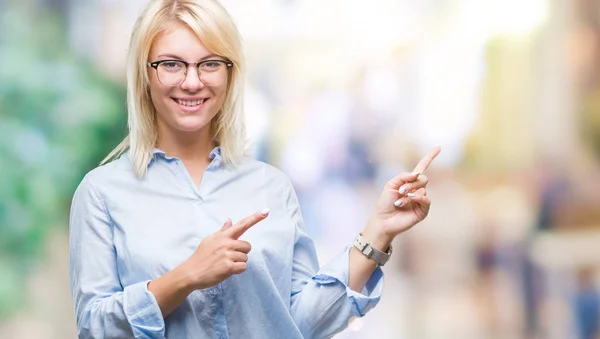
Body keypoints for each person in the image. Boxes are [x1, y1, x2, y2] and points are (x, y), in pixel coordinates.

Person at [68, 0, 441, 338]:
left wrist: (379, 231)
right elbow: (95, 327)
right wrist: (185, 277)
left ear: (230, 74)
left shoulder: (271, 187)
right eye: (171, 64)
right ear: (144, 74)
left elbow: (299, 323)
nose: (192, 81)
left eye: (210, 63)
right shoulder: (102, 193)